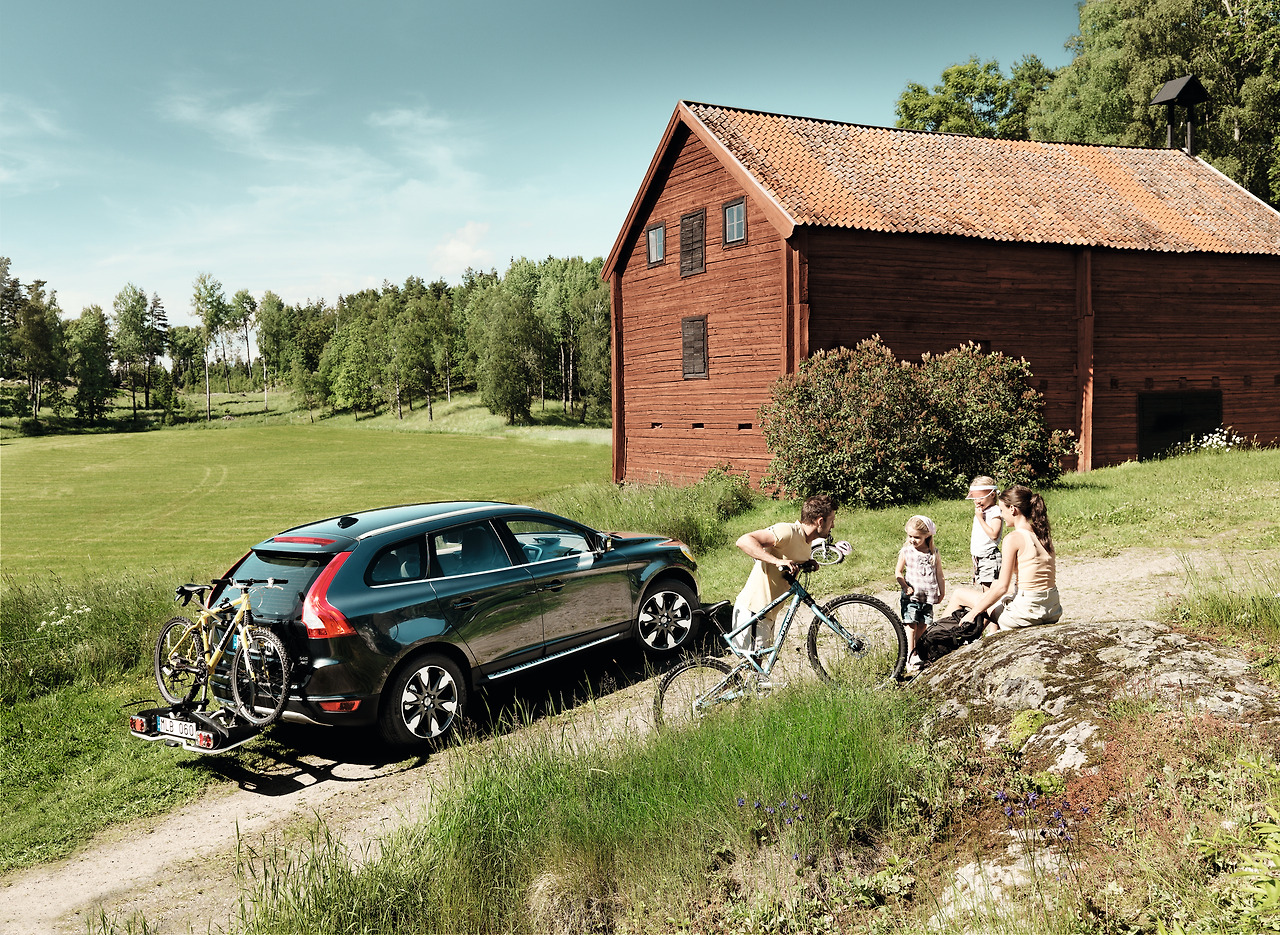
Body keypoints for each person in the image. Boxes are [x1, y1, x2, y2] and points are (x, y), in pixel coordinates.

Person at [732, 493, 837, 652]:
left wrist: (805, 564)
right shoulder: (787, 531)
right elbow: (743, 541)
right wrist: (777, 561)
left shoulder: (806, 541)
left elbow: (788, 557)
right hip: (754, 608)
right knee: (752, 664)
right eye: (832, 521)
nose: (833, 526)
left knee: (759, 663)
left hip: (769, 611)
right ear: (820, 521)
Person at [955, 485, 1062, 634]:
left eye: (1001, 510)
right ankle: (987, 633)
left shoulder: (1013, 538)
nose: (1001, 515)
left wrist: (972, 613)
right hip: (1051, 611)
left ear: (1012, 509)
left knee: (959, 594)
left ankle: (934, 642)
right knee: (994, 587)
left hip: (1026, 615)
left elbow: (1002, 587)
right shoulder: (1043, 536)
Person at [895, 514, 945, 671]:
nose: (912, 540)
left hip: (927, 597)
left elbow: (939, 574)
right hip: (911, 597)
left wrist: (942, 592)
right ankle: (910, 656)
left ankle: (918, 652)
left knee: (922, 625)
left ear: (927, 535)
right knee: (911, 626)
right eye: (910, 536)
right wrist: (904, 586)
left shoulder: (933, 553)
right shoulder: (906, 552)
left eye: (916, 537)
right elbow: (898, 572)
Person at [967, 475, 1004, 589]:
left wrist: (980, 518)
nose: (977, 501)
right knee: (984, 588)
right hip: (979, 557)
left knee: (989, 590)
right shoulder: (981, 511)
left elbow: (994, 535)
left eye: (981, 497)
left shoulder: (995, 511)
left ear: (992, 495)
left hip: (989, 557)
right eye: (974, 498)